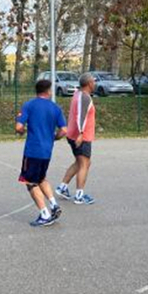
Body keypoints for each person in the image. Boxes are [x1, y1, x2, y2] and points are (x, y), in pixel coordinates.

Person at [16, 79, 67, 227]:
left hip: (33, 150)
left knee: (30, 182)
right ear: (48, 91)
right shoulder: (55, 108)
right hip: (47, 150)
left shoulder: (29, 105)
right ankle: (53, 204)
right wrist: (54, 138)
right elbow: (64, 130)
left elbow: (19, 126)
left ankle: (44, 214)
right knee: (41, 178)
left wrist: (23, 131)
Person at [57, 73, 97, 205]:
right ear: (89, 83)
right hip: (81, 136)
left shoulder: (77, 94)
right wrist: (80, 133)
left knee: (81, 163)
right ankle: (79, 195)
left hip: (74, 135)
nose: (95, 84)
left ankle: (62, 187)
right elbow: (81, 115)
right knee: (84, 164)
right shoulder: (85, 98)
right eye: (93, 82)